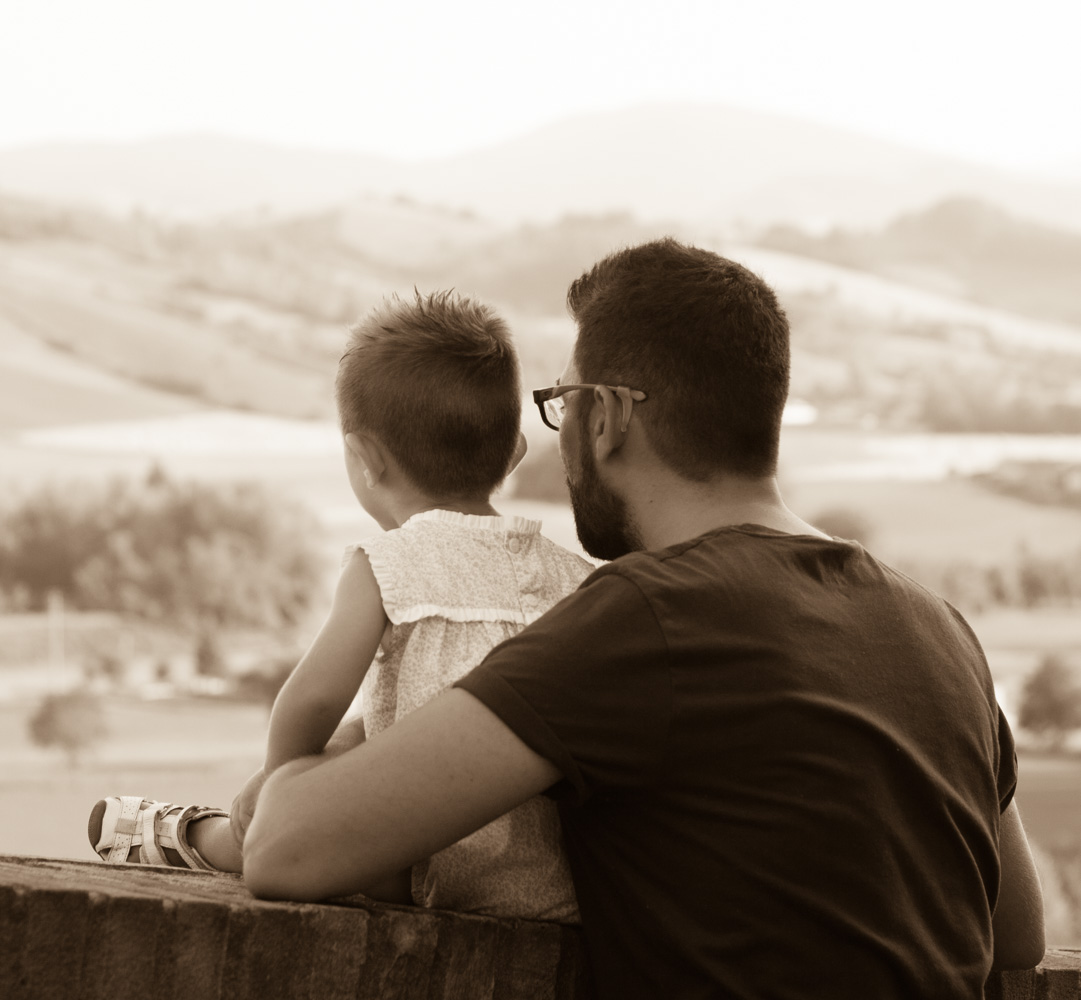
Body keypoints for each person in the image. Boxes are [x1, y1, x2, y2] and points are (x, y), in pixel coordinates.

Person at [241, 239, 1045, 999]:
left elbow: (286, 850)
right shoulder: (938, 628)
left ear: (606, 417)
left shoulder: (646, 616)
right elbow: (1015, 936)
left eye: (560, 402)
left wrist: (330, 760)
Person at [88, 291, 591, 922]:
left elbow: (313, 700)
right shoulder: (579, 579)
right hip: (555, 880)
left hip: (423, 854)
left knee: (317, 808)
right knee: (360, 750)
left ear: (365, 458)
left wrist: (280, 789)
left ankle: (210, 838)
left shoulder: (386, 564)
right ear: (514, 453)